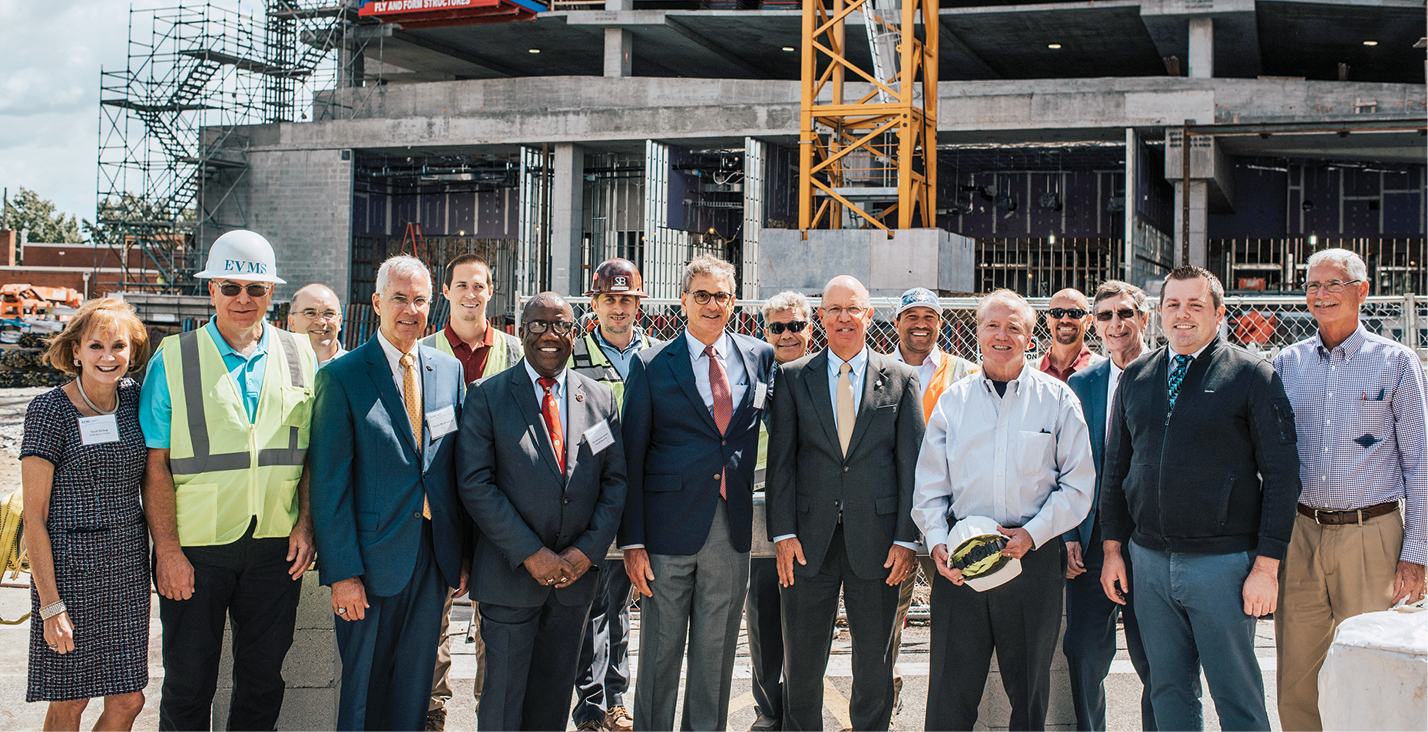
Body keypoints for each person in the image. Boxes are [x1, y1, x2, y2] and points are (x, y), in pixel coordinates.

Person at [1099, 266, 1301, 731]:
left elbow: (1283, 475)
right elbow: (1116, 469)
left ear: (1218, 313)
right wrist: (1113, 549)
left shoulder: (1252, 376)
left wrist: (1267, 566)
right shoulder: (1137, 378)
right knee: (1168, 690)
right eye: (1173, 304)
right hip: (1148, 562)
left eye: (1195, 305)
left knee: (1236, 693)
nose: (1182, 315)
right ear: (1160, 313)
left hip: (1223, 564)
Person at [140, 229, 318, 731]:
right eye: (231, 287)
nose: (243, 299)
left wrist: (305, 526)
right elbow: (156, 466)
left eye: (255, 290)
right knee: (188, 684)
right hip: (196, 550)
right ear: (212, 289)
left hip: (273, 548)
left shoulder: (301, 355)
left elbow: (307, 456)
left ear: (271, 294)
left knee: (263, 684)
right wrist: (168, 552)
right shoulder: (174, 359)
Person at [913, 288, 1095, 731]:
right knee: (949, 698)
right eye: (992, 325)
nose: (1001, 335)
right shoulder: (953, 403)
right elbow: (930, 487)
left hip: (1031, 560)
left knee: (1029, 696)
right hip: (961, 562)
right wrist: (937, 543)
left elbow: (1079, 484)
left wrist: (1033, 533)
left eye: (1014, 326)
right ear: (976, 332)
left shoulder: (1057, 399)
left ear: (1031, 337)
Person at [310, 255, 470, 731]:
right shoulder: (343, 377)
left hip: (431, 557)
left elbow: (452, 471)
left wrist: (459, 555)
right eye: (399, 298)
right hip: (369, 565)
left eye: (419, 300)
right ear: (378, 302)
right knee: (363, 692)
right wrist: (343, 574)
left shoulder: (448, 371)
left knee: (415, 690)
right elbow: (329, 484)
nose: (410, 309)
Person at [619, 254, 777, 731]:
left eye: (722, 296)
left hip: (730, 530)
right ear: (684, 300)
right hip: (665, 534)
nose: (712, 305)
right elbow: (631, 455)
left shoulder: (759, 357)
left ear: (734, 302)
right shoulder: (649, 364)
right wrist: (633, 541)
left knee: (716, 658)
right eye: (702, 295)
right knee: (659, 659)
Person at [457, 292, 628, 732]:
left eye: (561, 326)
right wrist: (533, 553)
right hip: (511, 579)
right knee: (502, 706)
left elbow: (614, 483)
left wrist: (586, 553)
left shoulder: (600, 399)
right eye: (538, 325)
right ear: (520, 329)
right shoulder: (488, 396)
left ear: (575, 334)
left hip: (574, 584)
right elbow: (476, 485)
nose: (550, 335)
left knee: (551, 705)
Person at [1272, 248, 1427, 731]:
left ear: (1362, 291)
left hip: (1372, 534)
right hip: (1300, 533)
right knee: (1297, 675)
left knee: (1371, 667)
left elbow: (1420, 460)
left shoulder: (1396, 363)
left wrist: (1417, 551)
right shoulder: (1286, 363)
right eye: (1313, 285)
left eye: (1334, 283)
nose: (1321, 294)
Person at [766, 276, 924, 732]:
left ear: (868, 315)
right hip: (805, 545)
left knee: (873, 663)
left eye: (852, 308)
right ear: (821, 317)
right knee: (803, 663)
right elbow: (782, 465)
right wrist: (783, 533)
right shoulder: (794, 378)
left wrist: (903, 539)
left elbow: (910, 467)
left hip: (877, 543)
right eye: (833, 309)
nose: (842, 317)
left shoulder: (901, 379)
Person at [21, 299, 151, 731]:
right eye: (96, 346)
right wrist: (50, 605)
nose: (108, 356)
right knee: (70, 701)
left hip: (126, 570)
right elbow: (34, 518)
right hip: (68, 574)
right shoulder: (48, 410)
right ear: (76, 350)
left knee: (129, 699)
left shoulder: (135, 399)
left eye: (119, 346)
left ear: (132, 353)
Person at [420, 253, 520, 729]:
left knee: (494, 619)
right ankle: (432, 711)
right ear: (446, 291)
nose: (470, 294)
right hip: (440, 506)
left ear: (490, 291)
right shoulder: (422, 352)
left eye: (479, 286)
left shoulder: (514, 351)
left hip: (497, 503)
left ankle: (491, 711)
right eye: (461, 285)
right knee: (432, 617)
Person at [568, 258, 660, 732]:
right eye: (610, 300)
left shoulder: (661, 355)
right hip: (594, 494)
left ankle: (616, 699)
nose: (619, 308)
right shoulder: (572, 354)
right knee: (595, 604)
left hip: (644, 495)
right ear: (595, 304)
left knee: (624, 602)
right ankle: (590, 706)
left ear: (637, 304)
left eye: (627, 300)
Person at [1063, 281, 1155, 731]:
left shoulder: (1167, 371)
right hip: (1094, 534)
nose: (1116, 324)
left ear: (1144, 317)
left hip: (1152, 537)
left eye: (1125, 314)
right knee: (1082, 651)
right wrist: (1068, 536)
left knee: (1155, 655)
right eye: (1105, 316)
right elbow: (1066, 463)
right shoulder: (1083, 383)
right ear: (1094, 325)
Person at [887, 286, 978, 710]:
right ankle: (884, 696)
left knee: (956, 615)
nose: (920, 324)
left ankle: (950, 709)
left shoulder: (965, 372)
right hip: (894, 514)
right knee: (886, 615)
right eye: (912, 316)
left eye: (929, 316)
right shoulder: (878, 369)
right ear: (897, 321)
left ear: (940, 323)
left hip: (948, 514)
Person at [744, 290, 814, 732]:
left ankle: (801, 714)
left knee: (807, 621)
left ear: (811, 328)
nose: (787, 334)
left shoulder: (827, 373)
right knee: (763, 617)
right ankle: (769, 712)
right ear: (764, 331)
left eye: (796, 326)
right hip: (759, 501)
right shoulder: (749, 373)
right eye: (778, 327)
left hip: (811, 507)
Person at [1039, 288, 1101, 382]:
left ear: (1088, 321)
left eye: (1074, 313)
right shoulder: (1029, 371)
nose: (1065, 319)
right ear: (1048, 320)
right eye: (1057, 313)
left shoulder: (1103, 371)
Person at [288, 283, 346, 366]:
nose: (321, 322)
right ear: (292, 322)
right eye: (310, 313)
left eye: (329, 313)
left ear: (339, 321)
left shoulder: (357, 368)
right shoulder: (276, 366)